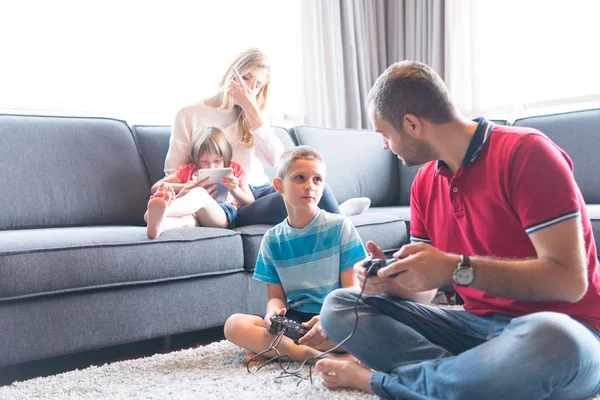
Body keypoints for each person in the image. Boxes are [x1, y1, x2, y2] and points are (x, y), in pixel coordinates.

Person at [314, 61, 600, 399]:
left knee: (553, 341)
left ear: (412, 124)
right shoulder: (423, 183)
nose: (384, 146)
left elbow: (569, 281)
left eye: (385, 135)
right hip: (474, 329)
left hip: (563, 330)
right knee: (340, 307)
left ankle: (384, 382)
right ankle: (471, 378)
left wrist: (456, 269)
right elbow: (426, 293)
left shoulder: (527, 154)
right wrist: (390, 282)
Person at [164, 48, 370, 227]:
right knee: (295, 199)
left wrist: (250, 108)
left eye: (257, 85)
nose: (249, 89)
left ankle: (337, 217)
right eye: (245, 77)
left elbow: (277, 160)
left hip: (262, 188)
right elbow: (173, 171)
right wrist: (195, 186)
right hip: (238, 197)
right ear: (231, 73)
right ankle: (338, 216)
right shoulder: (189, 114)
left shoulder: (253, 113)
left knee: (318, 188)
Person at [224, 146, 368, 363]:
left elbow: (351, 290)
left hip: (336, 316)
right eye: (300, 178)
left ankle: (282, 351)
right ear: (279, 185)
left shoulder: (340, 226)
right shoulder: (272, 239)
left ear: (323, 187)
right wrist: (272, 313)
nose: (309, 186)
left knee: (370, 325)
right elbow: (275, 297)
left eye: (317, 179)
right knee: (234, 325)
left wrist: (329, 319)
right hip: (297, 322)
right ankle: (314, 356)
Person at [145, 126, 253, 238]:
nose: (211, 166)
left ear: (225, 158)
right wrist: (186, 186)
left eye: (217, 161)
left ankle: (162, 211)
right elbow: (155, 187)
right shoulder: (188, 170)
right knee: (185, 221)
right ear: (196, 160)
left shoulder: (234, 170)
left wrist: (234, 189)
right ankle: (158, 225)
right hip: (193, 216)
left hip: (222, 215)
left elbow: (251, 203)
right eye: (204, 162)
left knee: (200, 193)